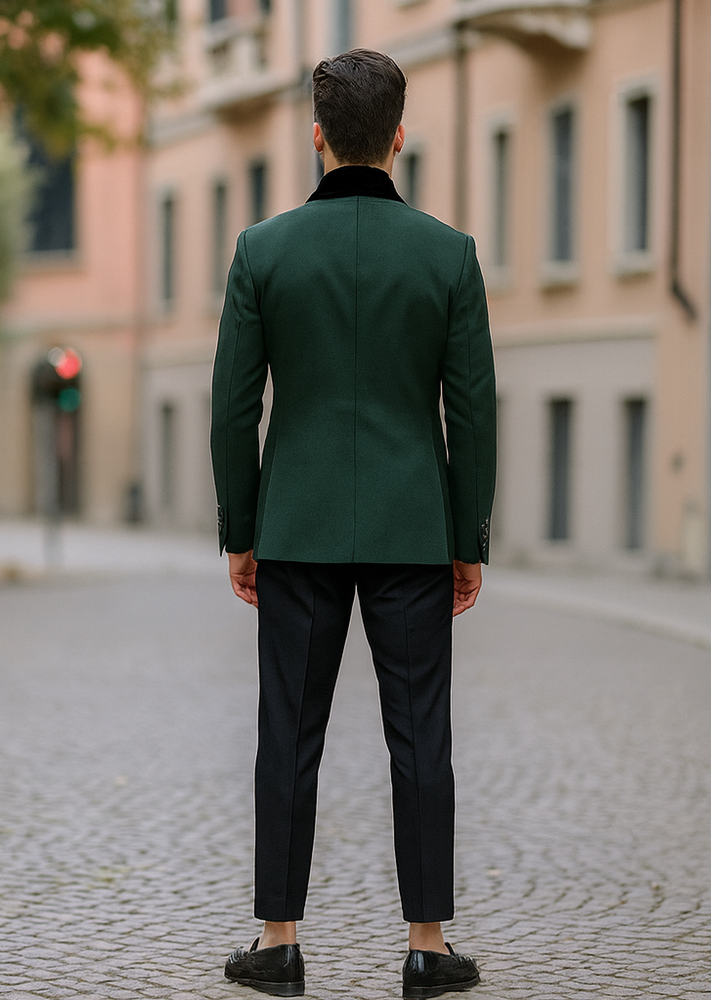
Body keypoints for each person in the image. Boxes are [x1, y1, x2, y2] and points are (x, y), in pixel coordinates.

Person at [210, 48, 496, 999]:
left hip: (296, 529)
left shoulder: (263, 249)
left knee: (287, 734)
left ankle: (280, 942)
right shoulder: (449, 254)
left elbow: (232, 406)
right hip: (416, 531)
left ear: (319, 134)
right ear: (400, 136)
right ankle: (425, 945)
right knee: (422, 737)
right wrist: (468, 543)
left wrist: (242, 530)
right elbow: (474, 411)